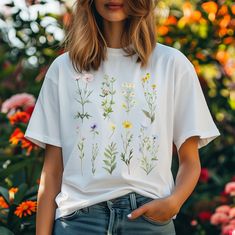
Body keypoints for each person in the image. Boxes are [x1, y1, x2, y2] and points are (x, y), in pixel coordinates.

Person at [24, 0, 221, 234]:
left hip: (148, 221)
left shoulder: (172, 65)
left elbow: (190, 162)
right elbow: (52, 172)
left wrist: (174, 202)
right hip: (78, 222)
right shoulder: (64, 69)